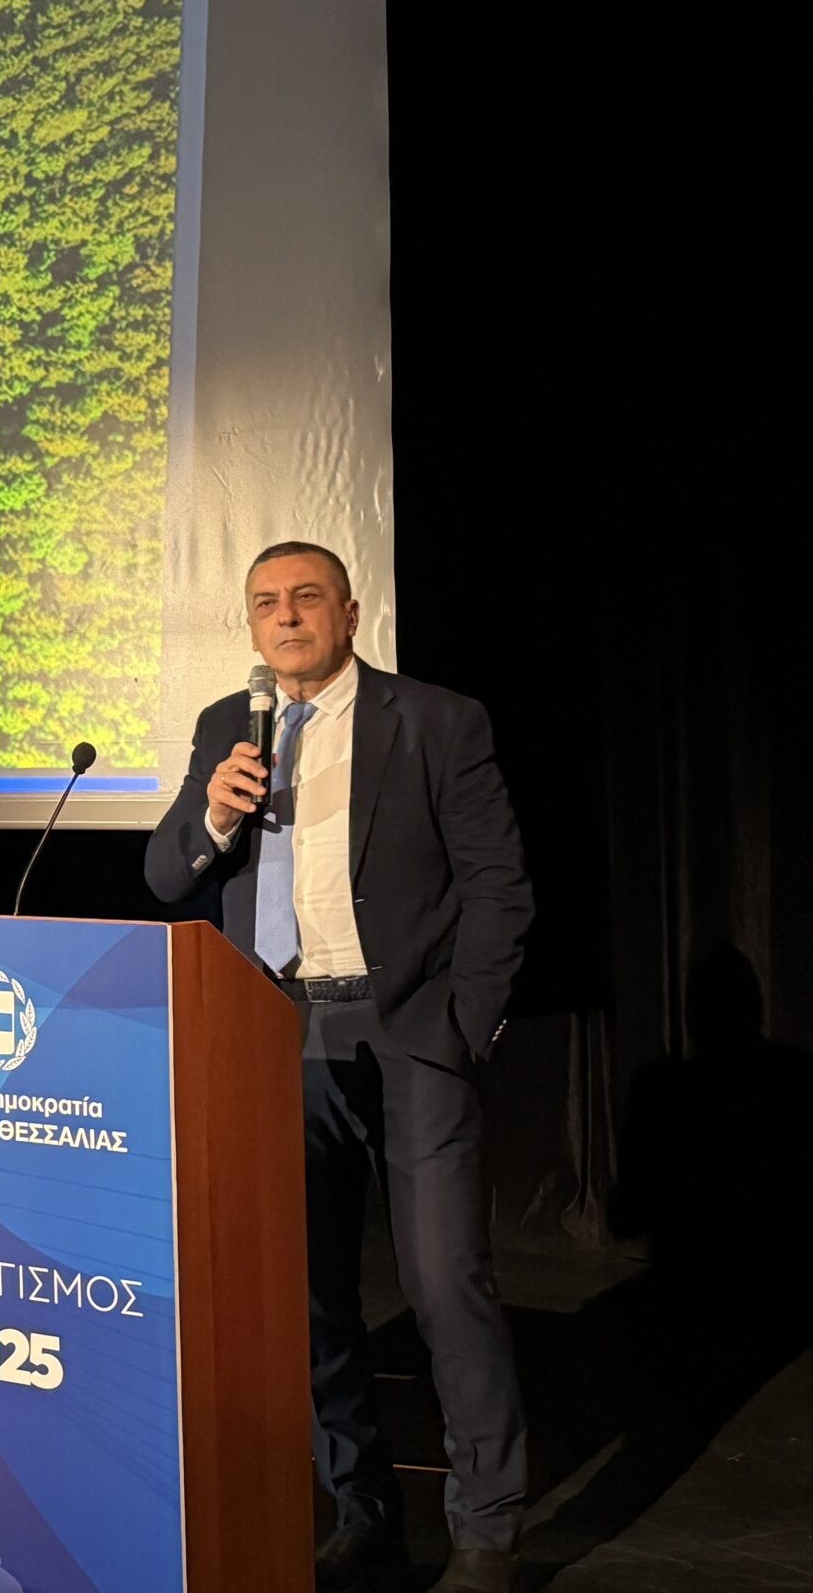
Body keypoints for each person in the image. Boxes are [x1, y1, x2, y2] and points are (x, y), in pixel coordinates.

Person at [146, 542, 533, 1593]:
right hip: (274, 1038)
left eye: (304, 597)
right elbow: (163, 870)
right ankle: (363, 1508)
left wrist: (461, 1026)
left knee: (444, 1282)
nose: (285, 617)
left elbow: (499, 885)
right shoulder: (229, 724)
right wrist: (217, 816)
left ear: (349, 613)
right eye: (265, 603)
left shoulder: (436, 721)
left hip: (411, 1036)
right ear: (249, 625)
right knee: (308, 1297)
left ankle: (487, 1529)